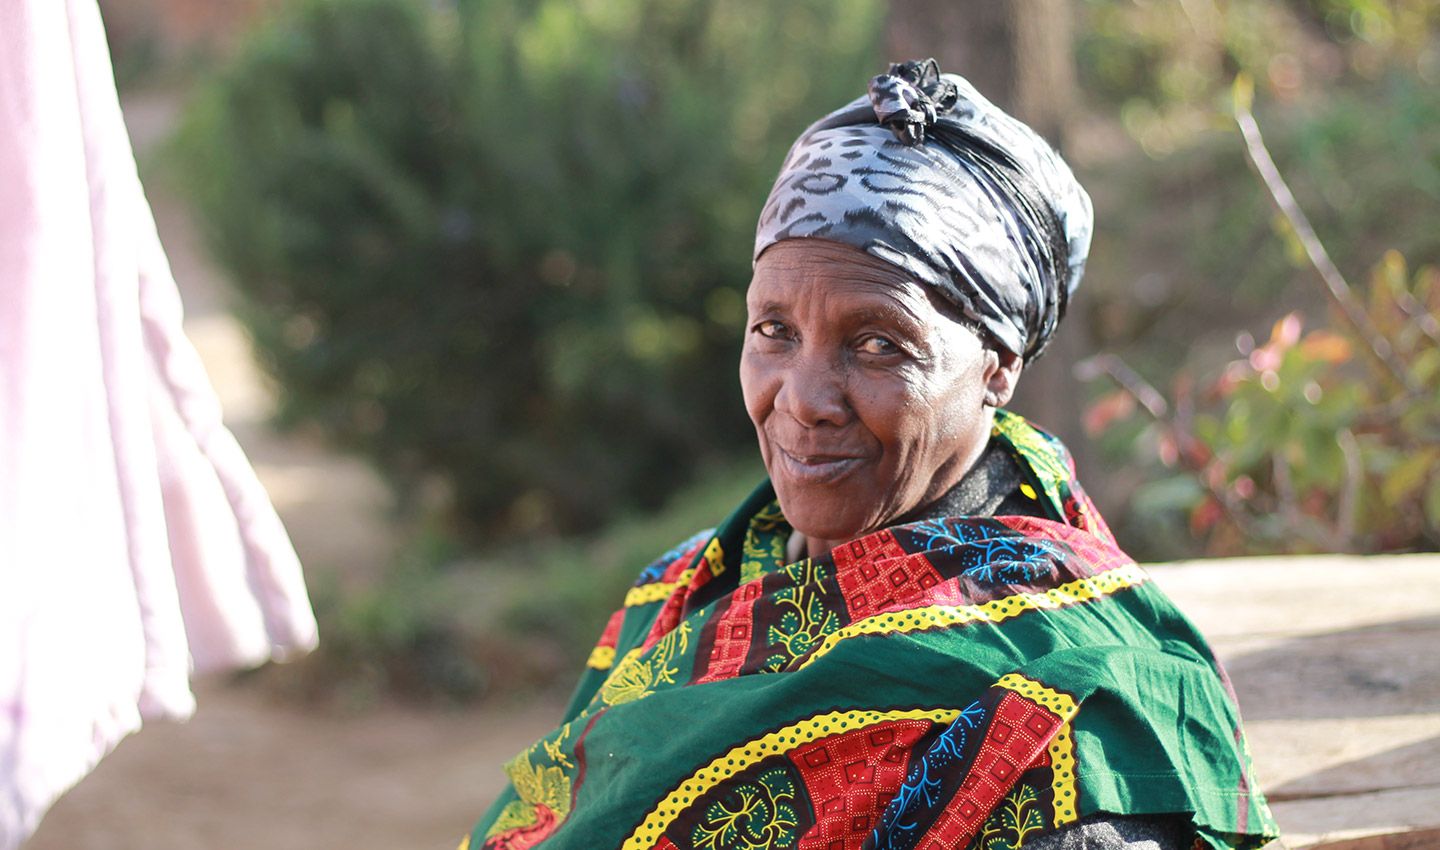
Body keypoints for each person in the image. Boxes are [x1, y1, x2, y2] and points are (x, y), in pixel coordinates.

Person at [463, 60, 1278, 850]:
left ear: (998, 365)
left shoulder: (1070, 713)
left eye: (880, 344)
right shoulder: (686, 594)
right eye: (773, 332)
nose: (805, 398)